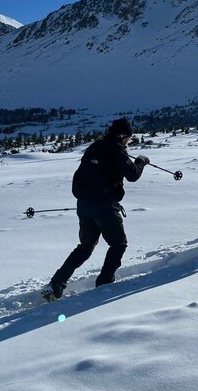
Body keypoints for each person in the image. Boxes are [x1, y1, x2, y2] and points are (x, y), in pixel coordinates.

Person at [44, 117, 149, 301]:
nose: (128, 142)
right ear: (123, 136)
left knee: (85, 247)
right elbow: (132, 174)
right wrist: (141, 161)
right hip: (105, 207)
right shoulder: (117, 151)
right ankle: (104, 283)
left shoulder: (96, 146)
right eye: (129, 138)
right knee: (118, 244)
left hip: (84, 205)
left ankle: (56, 284)